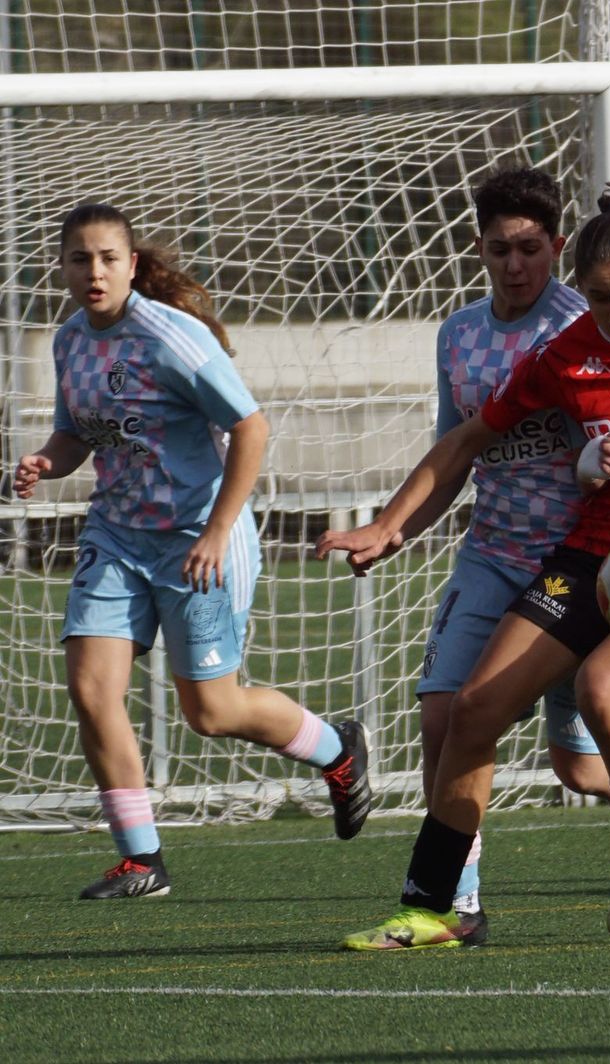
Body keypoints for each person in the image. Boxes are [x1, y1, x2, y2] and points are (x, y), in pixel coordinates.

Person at [321, 165, 610, 949]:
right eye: (600, 297)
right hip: (595, 550)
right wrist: (390, 524)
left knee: (601, 688)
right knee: (471, 710)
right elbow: (469, 437)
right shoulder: (565, 356)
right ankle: (434, 906)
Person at [11, 203, 372, 900]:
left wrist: (215, 531)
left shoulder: (171, 336)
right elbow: (75, 434)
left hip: (197, 538)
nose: (94, 271)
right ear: (60, 267)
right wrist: (45, 464)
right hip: (116, 534)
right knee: (90, 688)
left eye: (108, 258)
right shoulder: (69, 342)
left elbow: (252, 428)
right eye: (80, 258)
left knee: (210, 713)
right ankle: (141, 859)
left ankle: (336, 748)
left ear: (132, 265)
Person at [327, 168, 607, 946]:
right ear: (478, 251)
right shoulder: (459, 334)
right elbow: (455, 452)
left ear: (555, 245)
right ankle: (459, 905)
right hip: (490, 554)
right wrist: (393, 529)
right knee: (444, 717)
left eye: (529, 249)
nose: (515, 265)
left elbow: (605, 444)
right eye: (498, 251)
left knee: (579, 769)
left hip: (574, 564)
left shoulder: (583, 325)